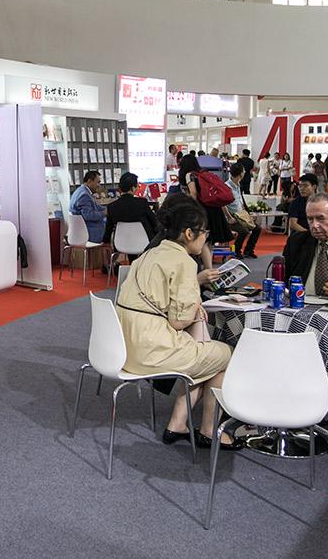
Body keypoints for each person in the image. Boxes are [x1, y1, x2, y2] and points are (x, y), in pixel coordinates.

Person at [115, 202, 245, 450]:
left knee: (207, 356)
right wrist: (195, 303)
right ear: (189, 233)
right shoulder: (184, 262)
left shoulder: (149, 254)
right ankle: (209, 431)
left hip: (124, 349)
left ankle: (178, 423)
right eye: (205, 232)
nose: (206, 238)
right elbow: (179, 321)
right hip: (151, 351)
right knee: (226, 354)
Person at [283, 193, 328, 296]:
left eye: (321, 218)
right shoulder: (296, 242)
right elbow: (286, 282)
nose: (314, 225)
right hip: (301, 303)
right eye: (310, 219)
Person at [178, 153, 232, 261]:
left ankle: (207, 267)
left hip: (203, 210)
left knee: (203, 242)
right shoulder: (204, 173)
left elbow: (193, 193)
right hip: (215, 209)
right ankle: (208, 264)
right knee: (209, 241)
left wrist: (191, 209)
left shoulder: (190, 175)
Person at [102, 172, 158, 258]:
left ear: (120, 188)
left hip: (121, 244)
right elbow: (154, 223)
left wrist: (106, 242)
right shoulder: (142, 203)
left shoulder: (112, 207)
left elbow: (108, 231)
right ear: (133, 188)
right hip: (144, 242)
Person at [225, 163, 261, 259]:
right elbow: (222, 204)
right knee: (244, 231)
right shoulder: (227, 187)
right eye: (243, 171)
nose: (245, 172)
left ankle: (249, 250)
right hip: (232, 217)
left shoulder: (238, 185)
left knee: (257, 229)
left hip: (241, 215)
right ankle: (236, 251)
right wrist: (229, 217)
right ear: (240, 173)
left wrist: (248, 215)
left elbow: (240, 202)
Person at [69, 170, 106, 243]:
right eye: (98, 182)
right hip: (90, 232)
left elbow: (96, 207)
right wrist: (104, 213)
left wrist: (107, 209)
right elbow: (88, 215)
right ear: (89, 181)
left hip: (81, 230)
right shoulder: (84, 195)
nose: (99, 185)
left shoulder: (81, 191)